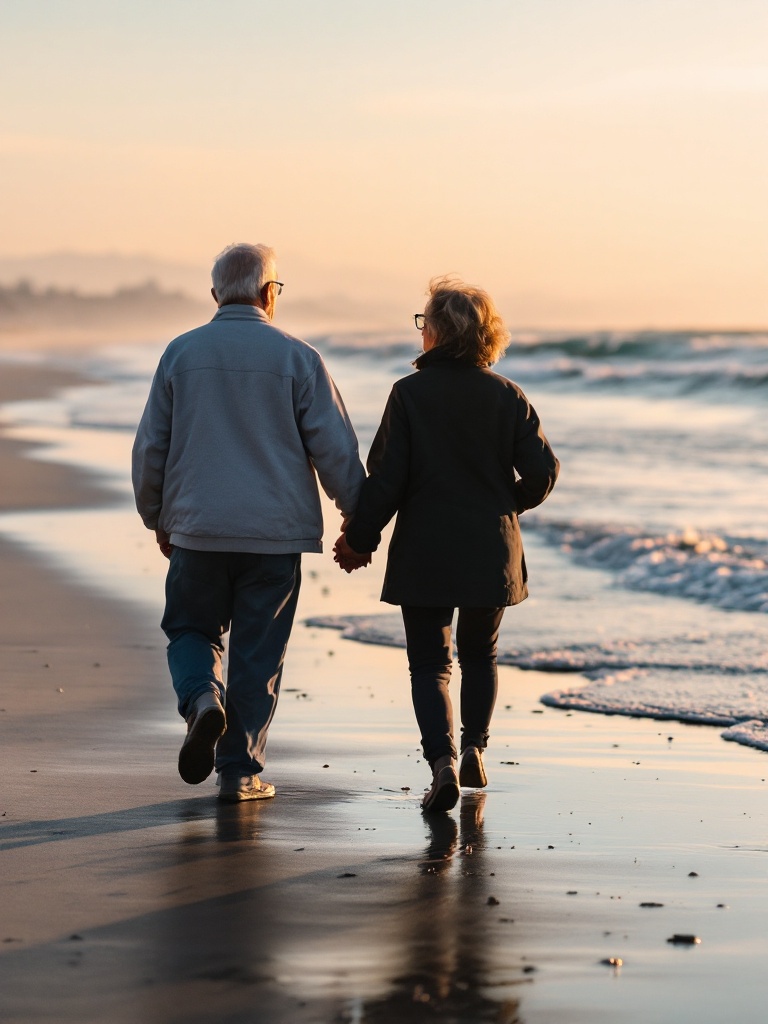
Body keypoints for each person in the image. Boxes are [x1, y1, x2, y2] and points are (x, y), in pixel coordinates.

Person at [132, 242, 365, 802]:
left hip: (198, 528)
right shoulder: (298, 357)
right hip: (274, 536)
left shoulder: (181, 354)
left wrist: (155, 515)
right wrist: (358, 515)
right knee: (259, 654)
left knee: (191, 630)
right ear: (269, 293)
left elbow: (151, 446)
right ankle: (239, 773)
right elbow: (333, 447)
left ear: (216, 295)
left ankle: (201, 701)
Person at [334, 276, 559, 813]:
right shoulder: (508, 396)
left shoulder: (409, 395)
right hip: (490, 549)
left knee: (430, 664)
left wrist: (360, 539)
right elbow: (544, 471)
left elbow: (386, 478)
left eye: (423, 322)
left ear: (436, 332)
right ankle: (476, 749)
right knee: (480, 654)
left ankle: (440, 764)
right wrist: (506, 506)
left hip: (426, 550)